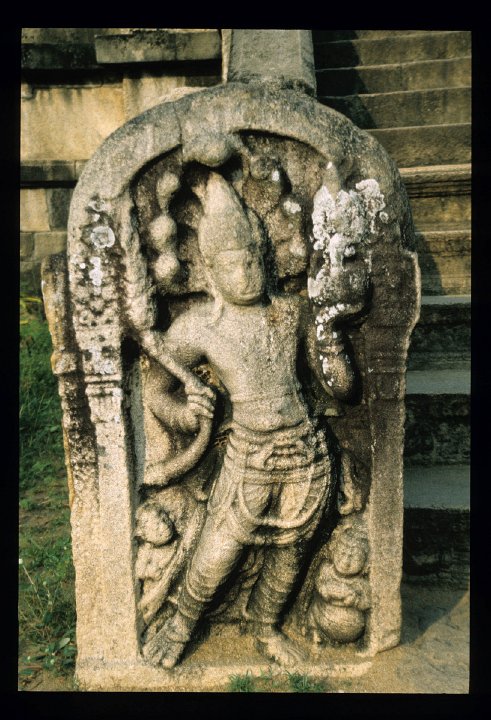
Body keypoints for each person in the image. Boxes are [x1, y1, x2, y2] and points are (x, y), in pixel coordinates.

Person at [141, 172, 355, 668]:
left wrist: (331, 337)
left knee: (293, 550)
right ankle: (180, 624)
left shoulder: (292, 313)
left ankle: (265, 625)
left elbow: (342, 388)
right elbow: (155, 387)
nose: (248, 273)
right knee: (219, 551)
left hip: (305, 452)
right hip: (248, 456)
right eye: (235, 264)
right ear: (212, 271)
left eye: (255, 260)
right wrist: (186, 413)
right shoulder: (199, 327)